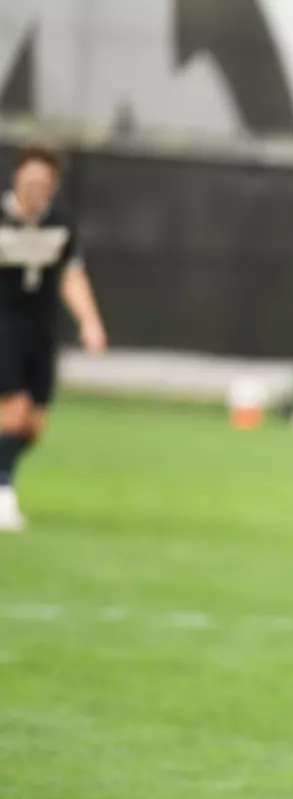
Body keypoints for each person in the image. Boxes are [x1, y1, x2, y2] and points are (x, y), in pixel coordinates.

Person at [0, 142, 107, 531]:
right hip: (3, 325)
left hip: (41, 330)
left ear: (53, 185)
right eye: (28, 181)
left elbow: (71, 276)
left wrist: (90, 322)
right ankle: (4, 495)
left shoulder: (61, 222)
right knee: (13, 410)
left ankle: (3, 470)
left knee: (33, 425)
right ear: (16, 179)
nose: (34, 189)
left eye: (42, 183)